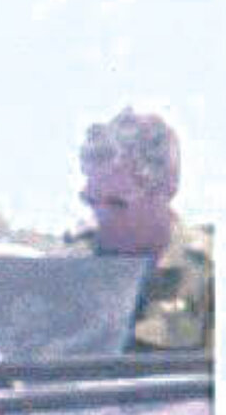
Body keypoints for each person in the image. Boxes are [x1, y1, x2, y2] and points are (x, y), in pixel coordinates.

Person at [63, 108, 213, 352]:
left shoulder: (208, 274)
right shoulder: (74, 272)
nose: (100, 219)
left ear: (166, 188)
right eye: (92, 203)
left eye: (117, 204)